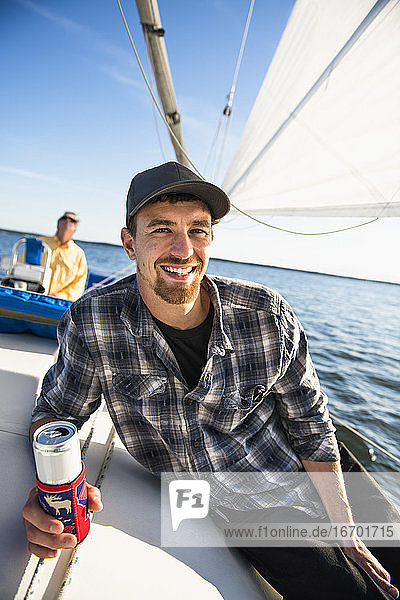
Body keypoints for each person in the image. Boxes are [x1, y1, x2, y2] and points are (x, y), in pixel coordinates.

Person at [22, 162, 399, 599]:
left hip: (312, 464)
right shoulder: (94, 322)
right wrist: (54, 484)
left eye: (198, 230)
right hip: (237, 503)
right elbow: (54, 413)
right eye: (162, 229)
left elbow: (310, 423)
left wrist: (344, 525)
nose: (183, 250)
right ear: (129, 242)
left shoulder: (265, 314)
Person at [38, 211, 87, 300]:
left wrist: (60, 296)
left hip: (58, 302)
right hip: (33, 295)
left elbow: (78, 285)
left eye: (72, 220)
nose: (67, 220)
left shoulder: (79, 254)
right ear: (58, 224)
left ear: (75, 229)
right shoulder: (40, 242)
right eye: (64, 218)